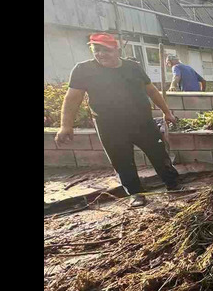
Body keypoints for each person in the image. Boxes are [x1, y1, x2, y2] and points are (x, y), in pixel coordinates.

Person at [55, 33, 180, 207]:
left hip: (142, 122)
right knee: (121, 161)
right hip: (110, 127)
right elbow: (72, 98)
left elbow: (151, 91)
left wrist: (166, 112)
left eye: (106, 50)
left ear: (116, 49)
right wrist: (65, 125)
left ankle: (173, 185)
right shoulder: (83, 70)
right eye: (96, 50)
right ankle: (136, 193)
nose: (101, 54)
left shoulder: (133, 67)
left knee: (159, 154)